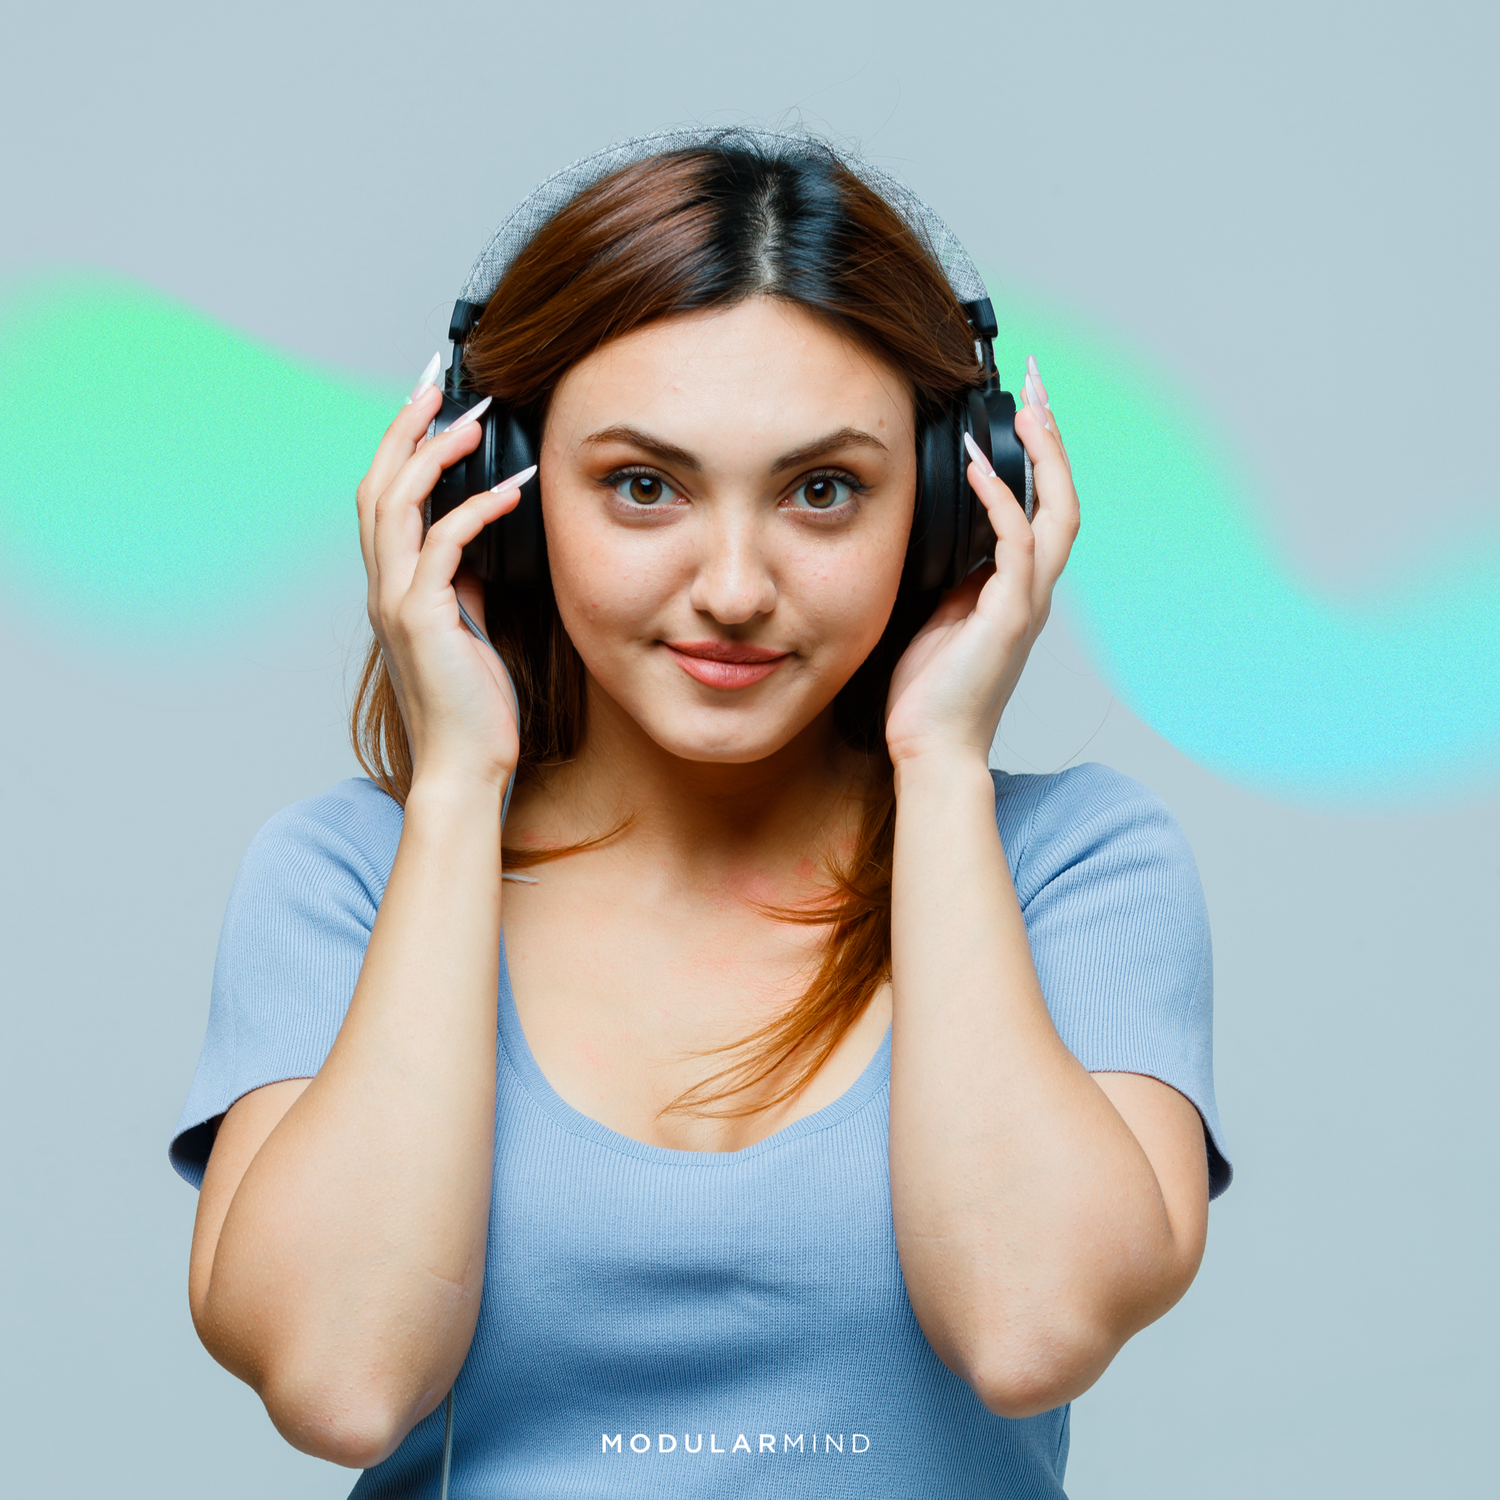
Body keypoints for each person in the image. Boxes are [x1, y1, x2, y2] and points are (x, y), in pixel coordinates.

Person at [170, 129, 1230, 1498]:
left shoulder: (1073, 870)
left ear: (958, 507)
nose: (734, 584)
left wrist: (944, 764)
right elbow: (341, 1383)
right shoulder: (348, 881)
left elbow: (1027, 1331)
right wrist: (455, 786)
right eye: (643, 486)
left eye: (824, 490)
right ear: (493, 493)